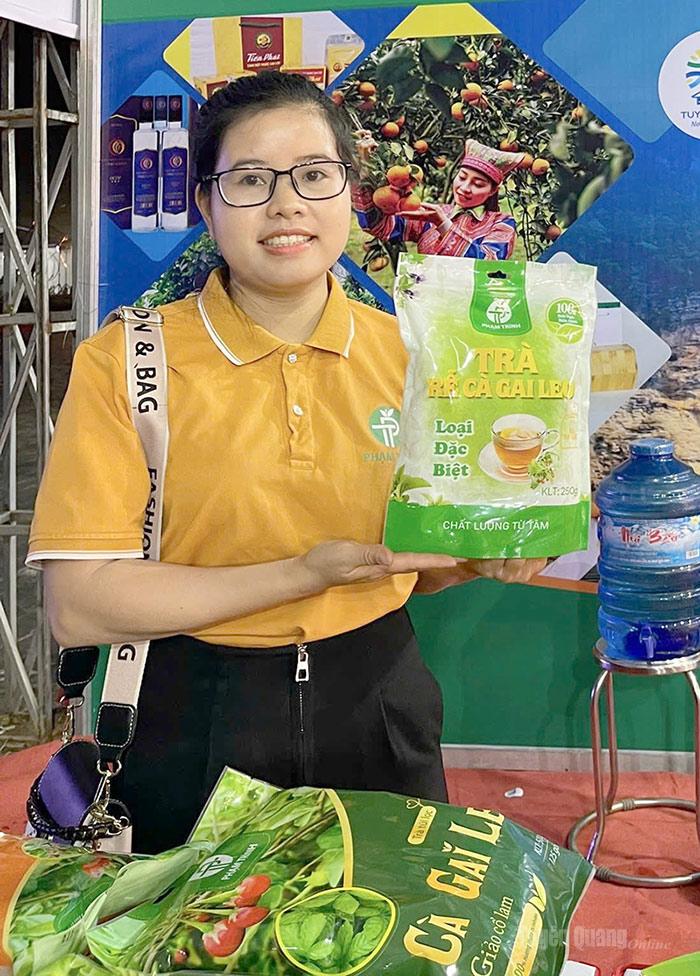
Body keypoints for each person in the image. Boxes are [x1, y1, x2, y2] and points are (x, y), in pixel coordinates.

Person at [28, 72, 545, 855]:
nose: (286, 205)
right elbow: (82, 606)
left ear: (350, 193)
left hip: (379, 701)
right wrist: (305, 573)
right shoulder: (126, 361)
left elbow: (417, 562)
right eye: (249, 180)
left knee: (382, 917)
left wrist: (492, 549)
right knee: (203, 927)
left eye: (312, 174)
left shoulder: (418, 357)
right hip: (190, 716)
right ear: (206, 206)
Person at [352, 135, 523, 259]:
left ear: (492, 191)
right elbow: (379, 227)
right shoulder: (434, 213)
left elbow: (488, 264)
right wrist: (365, 169)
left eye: (477, 184)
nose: (465, 188)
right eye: (462, 177)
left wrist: (442, 224)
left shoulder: (501, 223)